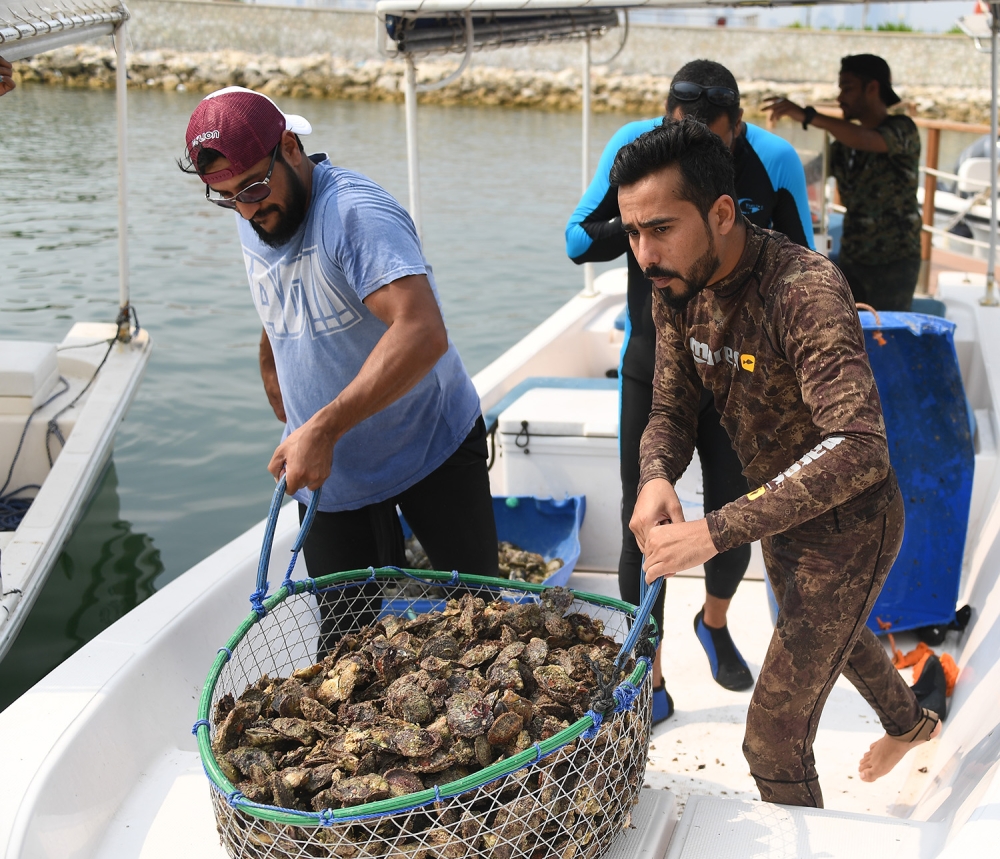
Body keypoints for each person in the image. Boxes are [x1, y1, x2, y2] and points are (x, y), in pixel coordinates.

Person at [616, 117, 942, 808]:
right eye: (633, 231)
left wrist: (709, 533)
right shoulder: (674, 282)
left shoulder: (803, 290)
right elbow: (672, 408)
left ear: (723, 211)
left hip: (854, 524)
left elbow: (860, 447)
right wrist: (654, 475)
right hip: (781, 513)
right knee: (839, 638)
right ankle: (913, 722)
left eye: (662, 228)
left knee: (771, 735)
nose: (645, 253)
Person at [179, 87, 498, 653]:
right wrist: (275, 370)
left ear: (290, 146)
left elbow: (422, 331)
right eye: (226, 197)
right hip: (336, 478)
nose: (249, 209)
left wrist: (322, 426)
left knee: (481, 627)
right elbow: (280, 294)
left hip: (431, 447)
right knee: (346, 652)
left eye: (253, 187)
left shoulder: (354, 215)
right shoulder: (252, 207)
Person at [565, 60, 814, 718]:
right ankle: (647, 668)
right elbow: (574, 239)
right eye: (684, 132)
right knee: (639, 517)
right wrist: (652, 220)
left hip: (740, 368)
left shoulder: (776, 159)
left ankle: (715, 619)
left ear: (740, 124)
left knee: (732, 511)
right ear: (665, 118)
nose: (699, 145)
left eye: (716, 138)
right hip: (654, 354)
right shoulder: (637, 150)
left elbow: (805, 259)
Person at [766, 54, 922, 311]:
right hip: (853, 257)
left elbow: (869, 139)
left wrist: (807, 116)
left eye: (847, 88)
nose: (840, 98)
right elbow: (808, 175)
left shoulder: (902, 129)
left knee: (886, 333)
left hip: (894, 262)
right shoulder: (845, 147)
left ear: (872, 88)